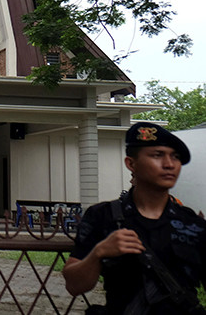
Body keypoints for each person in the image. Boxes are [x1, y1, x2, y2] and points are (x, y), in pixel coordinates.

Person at [63, 122, 206, 314]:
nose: (169, 164)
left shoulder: (193, 224)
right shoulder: (102, 217)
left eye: (175, 157)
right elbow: (74, 286)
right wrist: (98, 252)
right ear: (131, 164)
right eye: (157, 155)